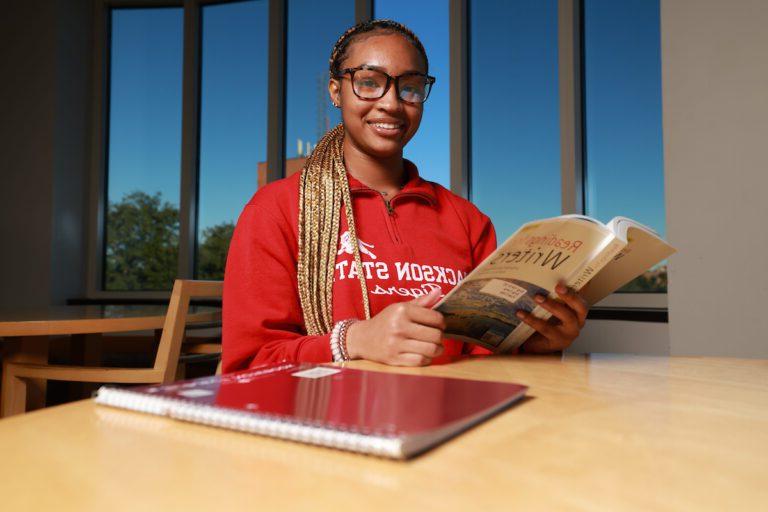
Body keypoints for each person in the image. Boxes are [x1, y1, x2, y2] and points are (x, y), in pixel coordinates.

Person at [222, 19, 588, 373]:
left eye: (410, 87)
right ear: (335, 91)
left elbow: (486, 358)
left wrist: (538, 344)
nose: (392, 103)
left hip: (453, 416)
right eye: (369, 83)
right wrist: (356, 340)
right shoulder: (276, 209)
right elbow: (249, 364)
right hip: (332, 422)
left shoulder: (468, 221)